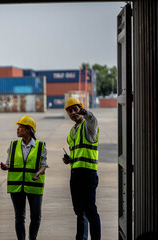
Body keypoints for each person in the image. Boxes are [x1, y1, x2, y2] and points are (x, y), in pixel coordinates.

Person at [0, 116, 48, 240]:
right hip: (17, 187)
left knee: (36, 216)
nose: (17, 129)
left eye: (20, 127)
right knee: (19, 217)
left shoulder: (41, 146)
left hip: (34, 186)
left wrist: (39, 173)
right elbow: (9, 164)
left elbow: (43, 165)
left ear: (28, 130)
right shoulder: (13, 145)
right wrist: (5, 167)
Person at [62, 97, 101, 240]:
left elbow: (93, 120)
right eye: (70, 111)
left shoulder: (88, 126)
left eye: (75, 109)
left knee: (91, 210)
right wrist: (69, 160)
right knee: (79, 211)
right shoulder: (71, 132)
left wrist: (86, 113)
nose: (73, 113)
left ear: (81, 109)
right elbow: (78, 152)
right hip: (75, 174)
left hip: (88, 174)